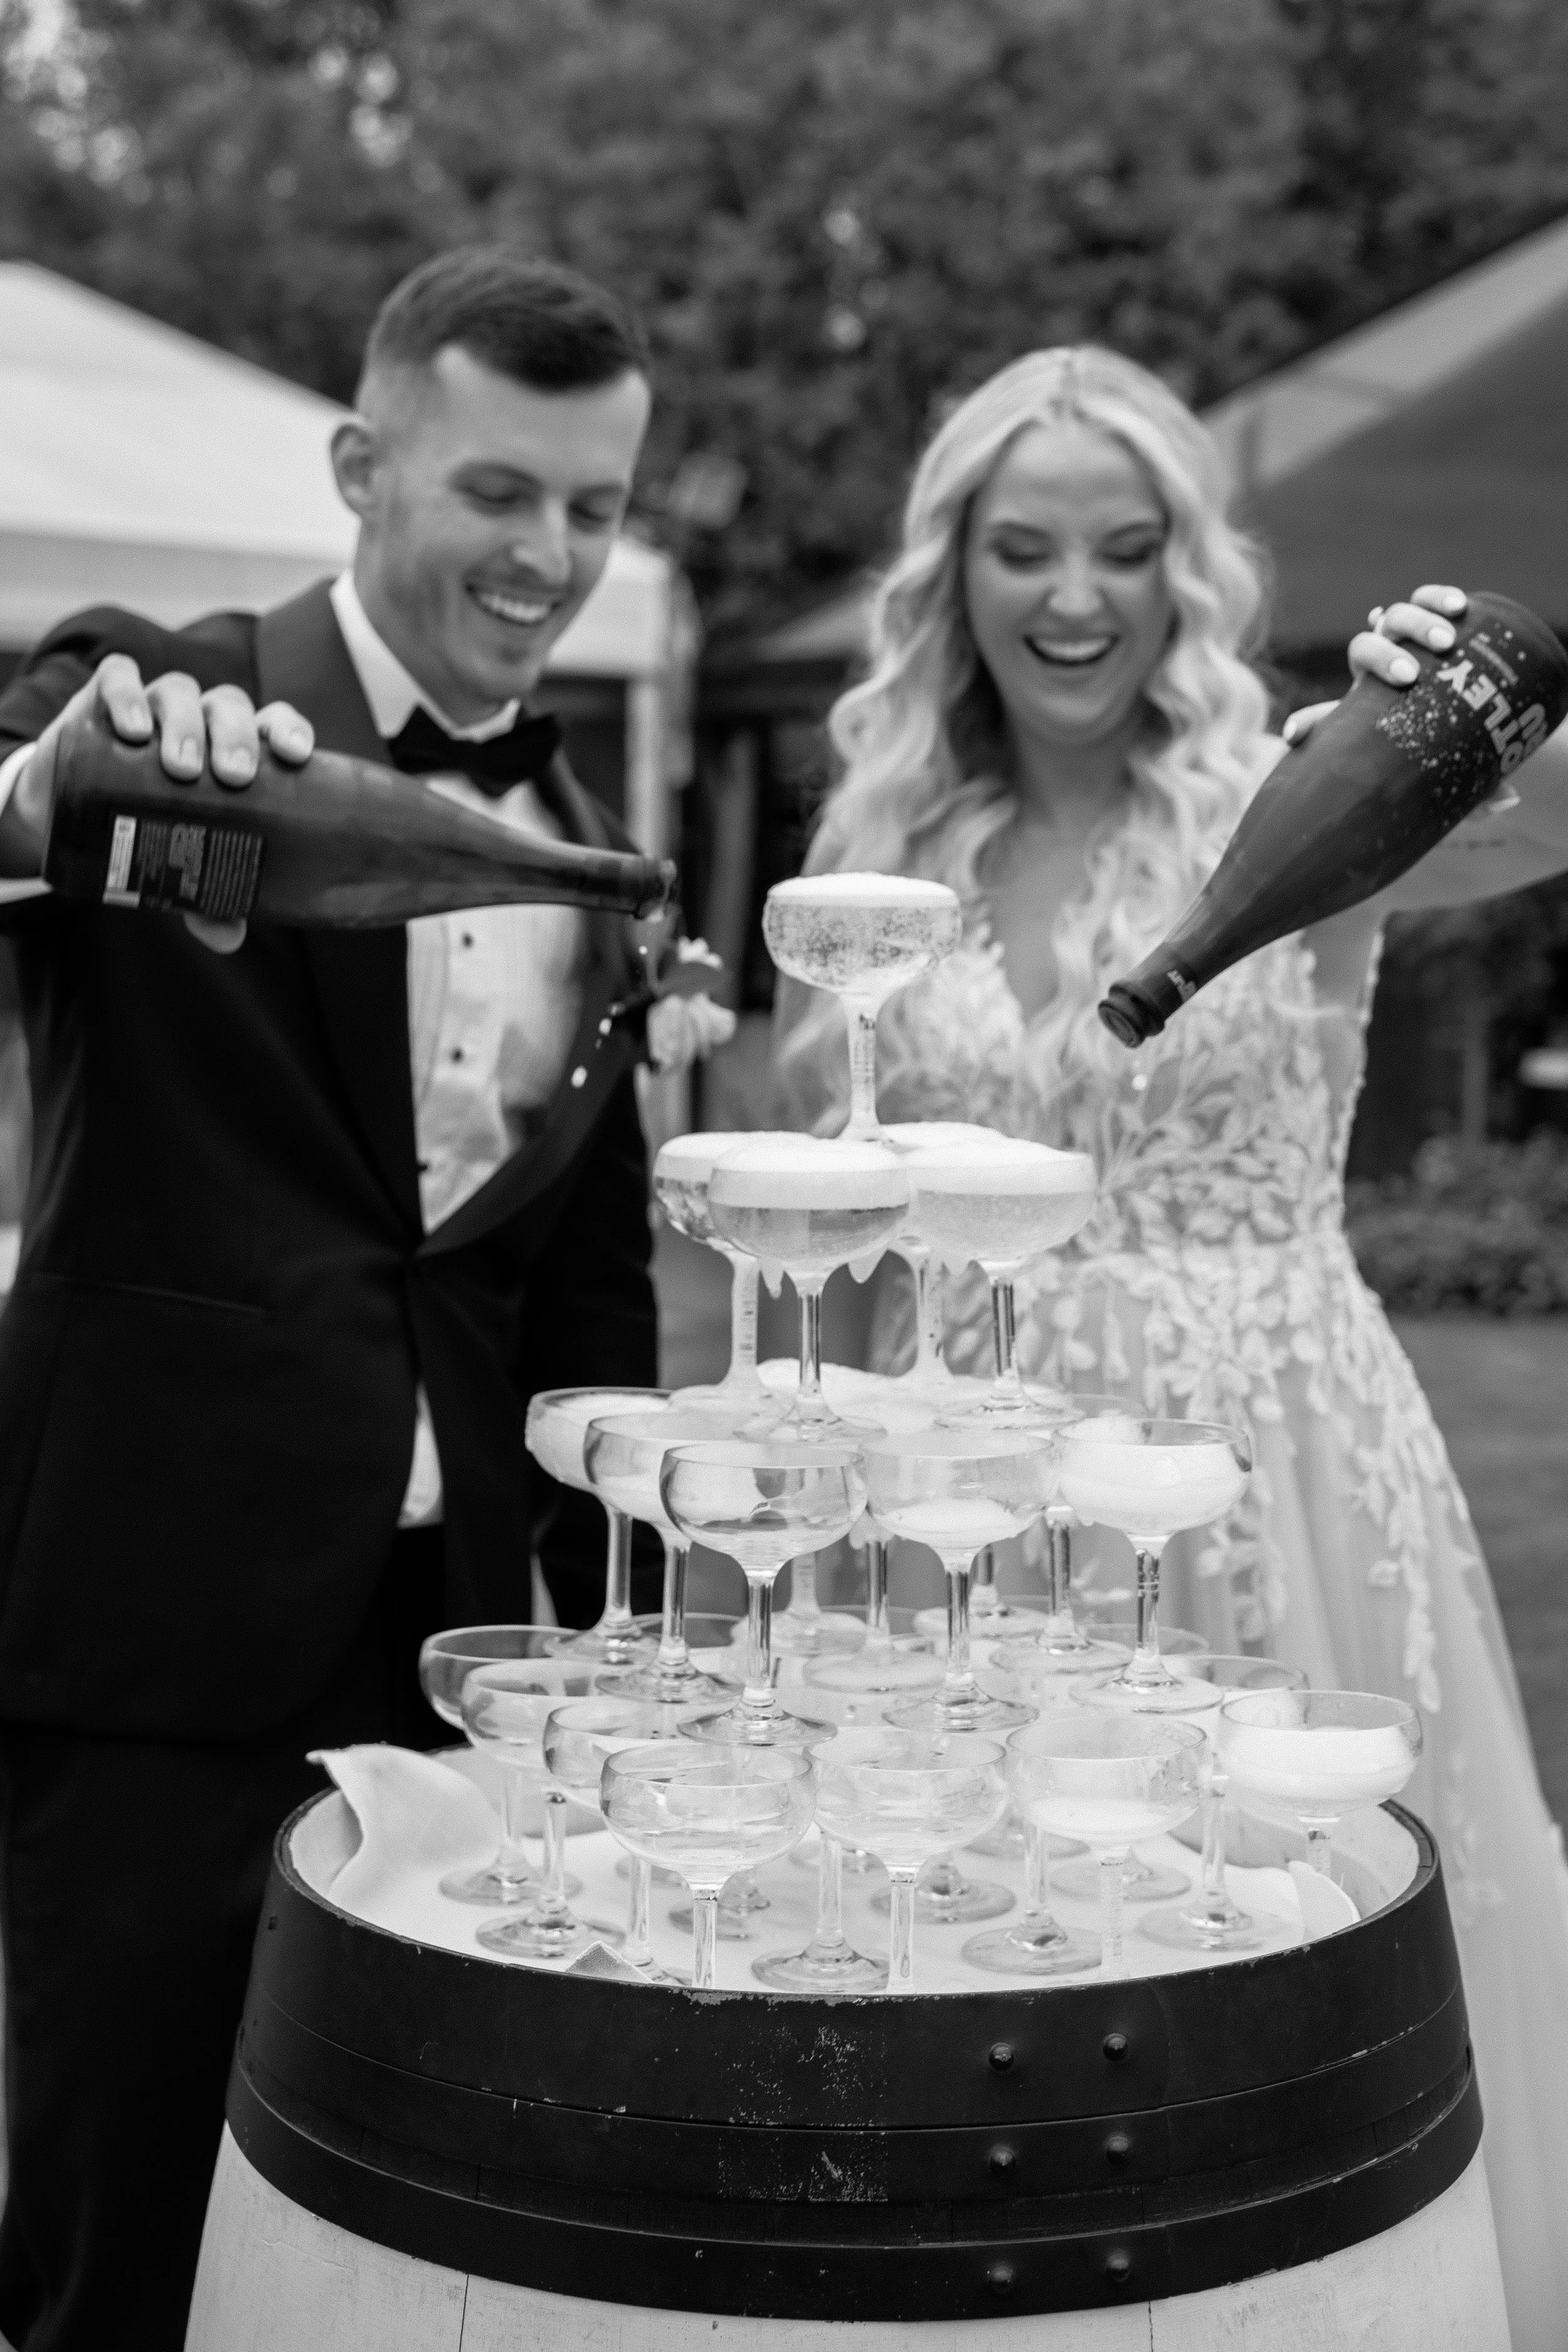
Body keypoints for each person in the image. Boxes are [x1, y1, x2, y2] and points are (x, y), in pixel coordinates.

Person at [774, 344, 1568, 2348]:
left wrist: (1471, 696)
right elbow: (852, 1237)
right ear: (951, 577)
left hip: (1271, 1477)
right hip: (963, 1492)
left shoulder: (1300, 785)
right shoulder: (898, 843)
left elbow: (1549, 819)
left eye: (1125, 550)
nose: (1074, 598)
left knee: (1291, 2002)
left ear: (1182, 572)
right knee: (1013, 2015)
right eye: (1022, 549)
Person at [0, 246, 724, 2351]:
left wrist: (613, 1665)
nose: (552, 556)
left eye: (594, 509)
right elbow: (31, 820)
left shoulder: (597, 849)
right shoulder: (164, 701)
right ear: (358, 462)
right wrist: (66, 783)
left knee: (417, 2251)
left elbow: (581, 1307)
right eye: (499, 492)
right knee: (116, 2249)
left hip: (468, 1660)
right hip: (154, 1624)